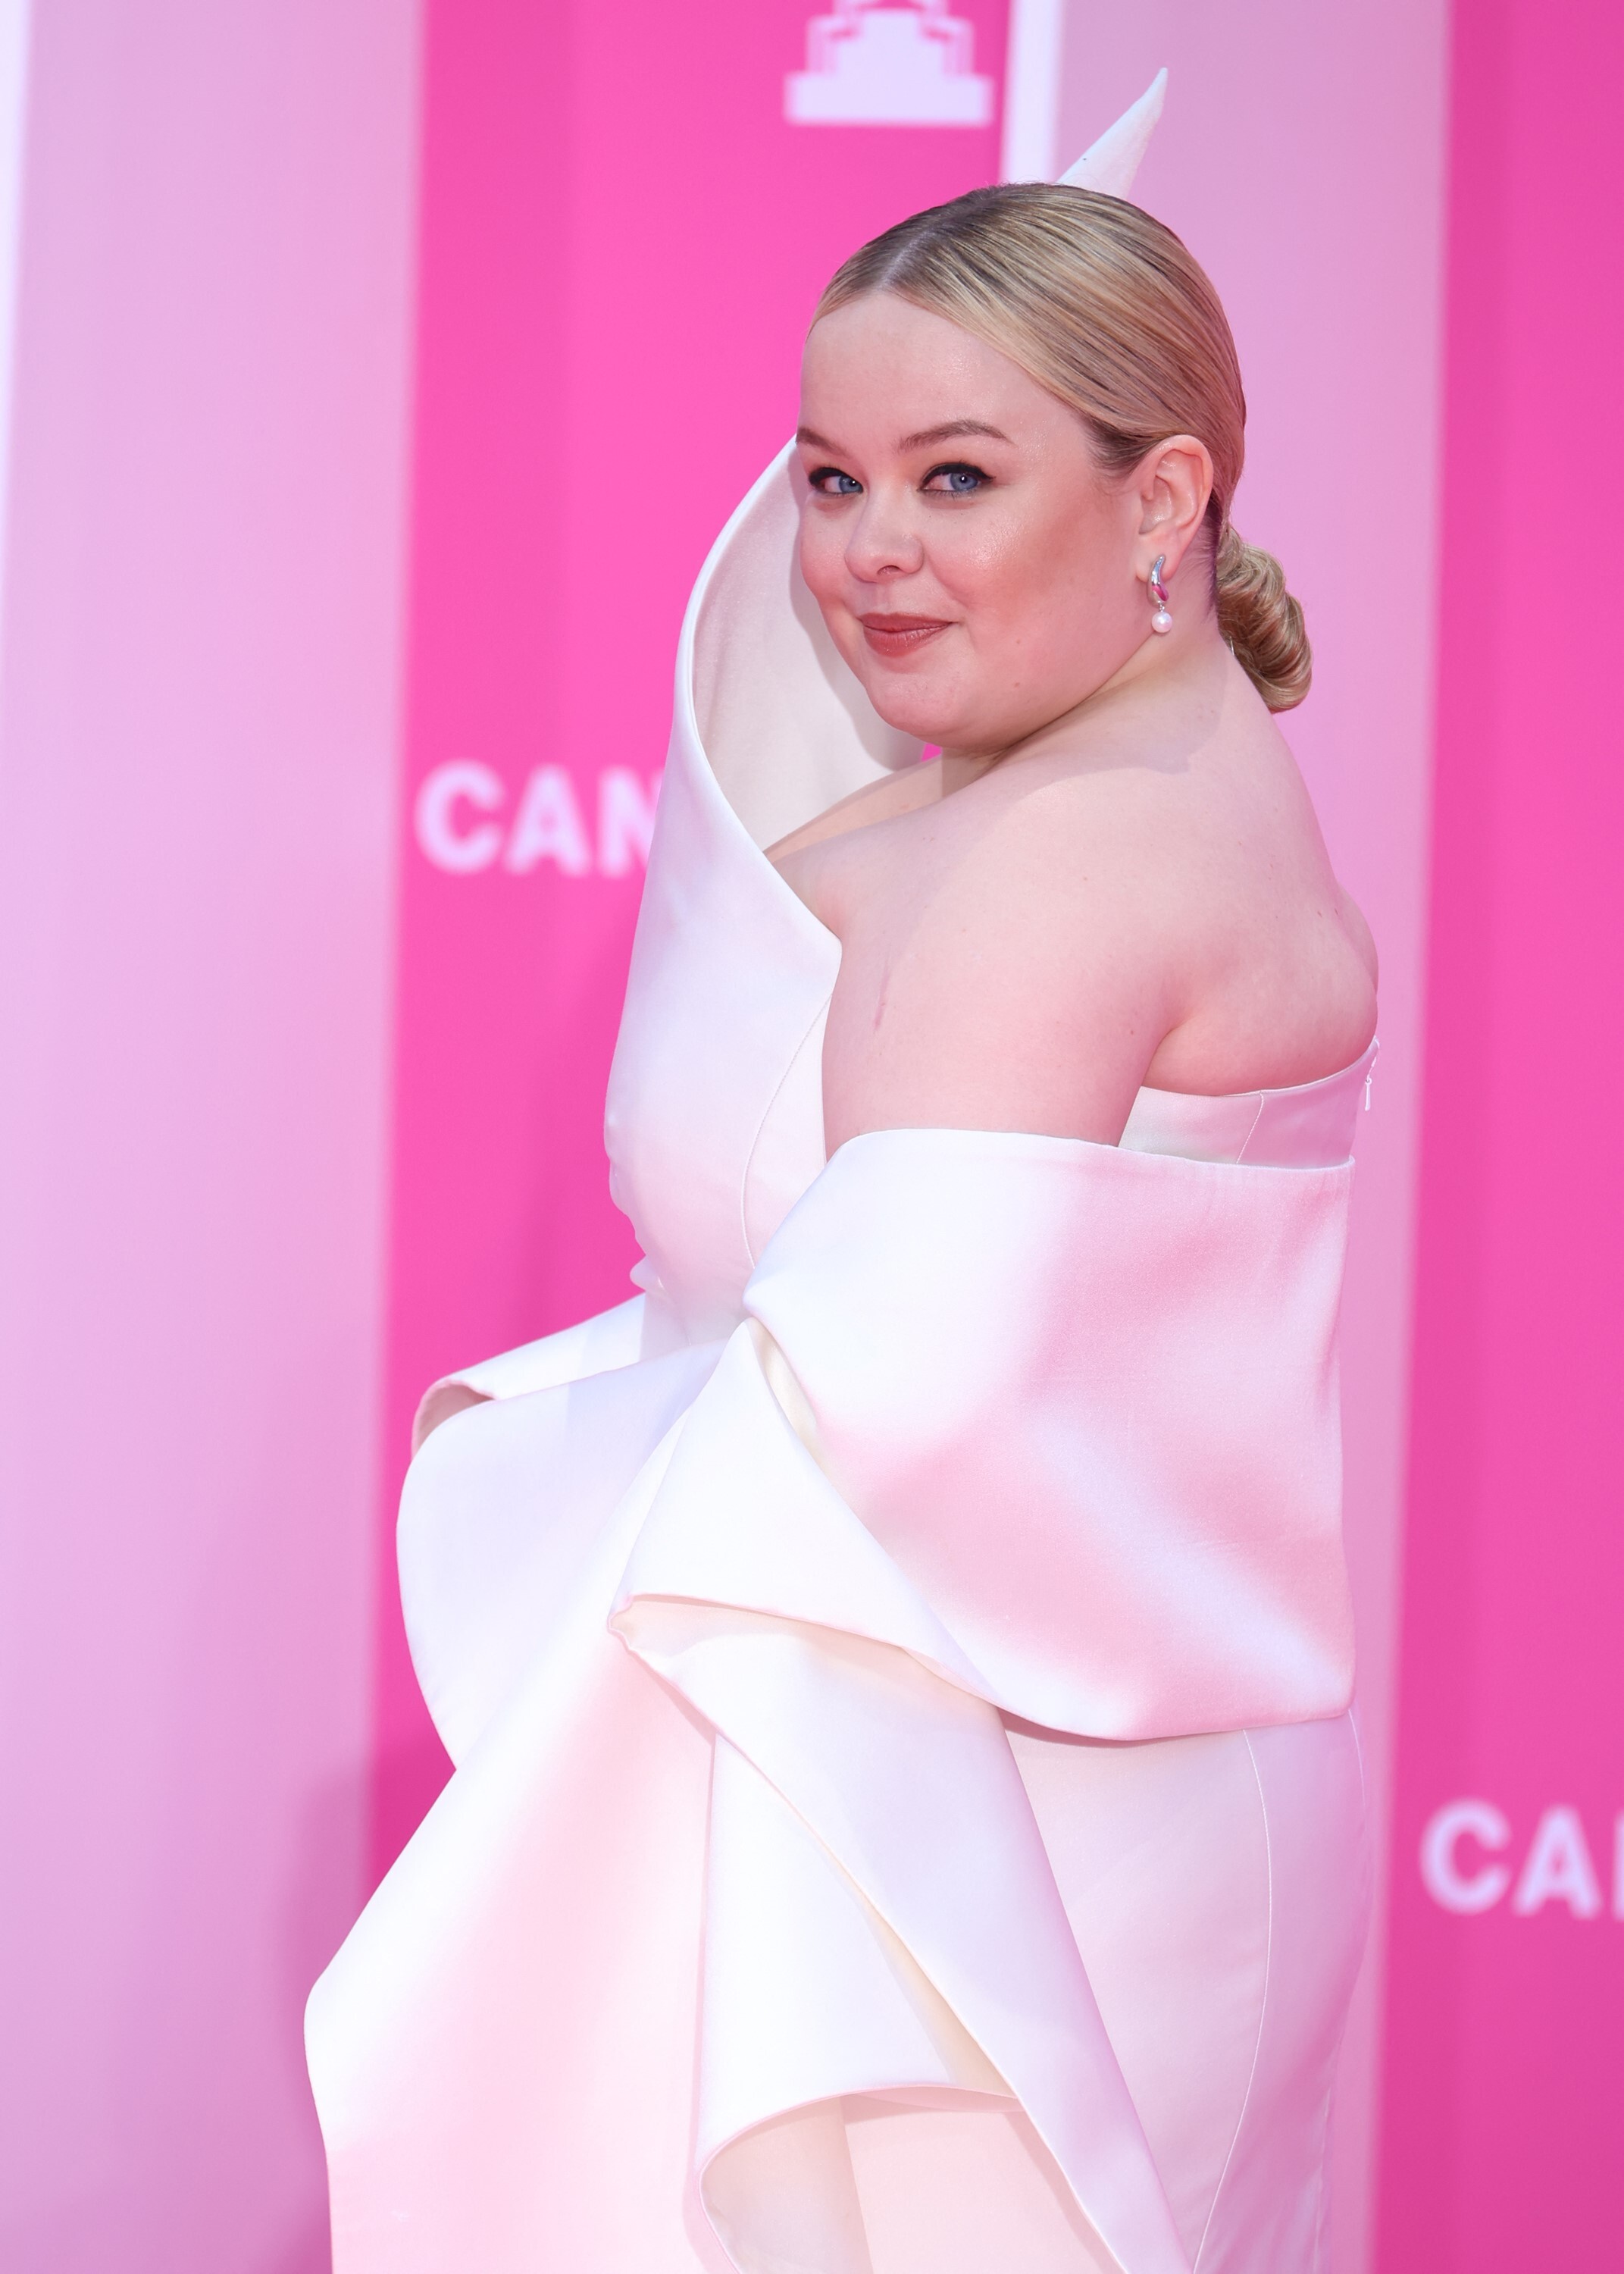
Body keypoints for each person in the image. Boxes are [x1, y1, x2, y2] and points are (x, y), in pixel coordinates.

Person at [307, 147, 1377, 2274]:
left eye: (955, 478)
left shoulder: (1057, 859)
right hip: (1110, 1780)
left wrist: (528, 1473)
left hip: (952, 1846)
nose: (871, 551)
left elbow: (878, 1431)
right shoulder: (1162, 780)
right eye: (829, 479)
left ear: (1162, 500)